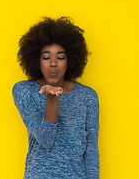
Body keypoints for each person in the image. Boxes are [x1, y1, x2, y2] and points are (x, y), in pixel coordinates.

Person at [12, 17, 100, 179]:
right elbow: (45, 140)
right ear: (37, 62)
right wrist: (52, 97)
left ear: (70, 61)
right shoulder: (24, 91)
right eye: (46, 57)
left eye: (60, 57)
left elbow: (91, 149)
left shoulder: (88, 96)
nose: (53, 63)